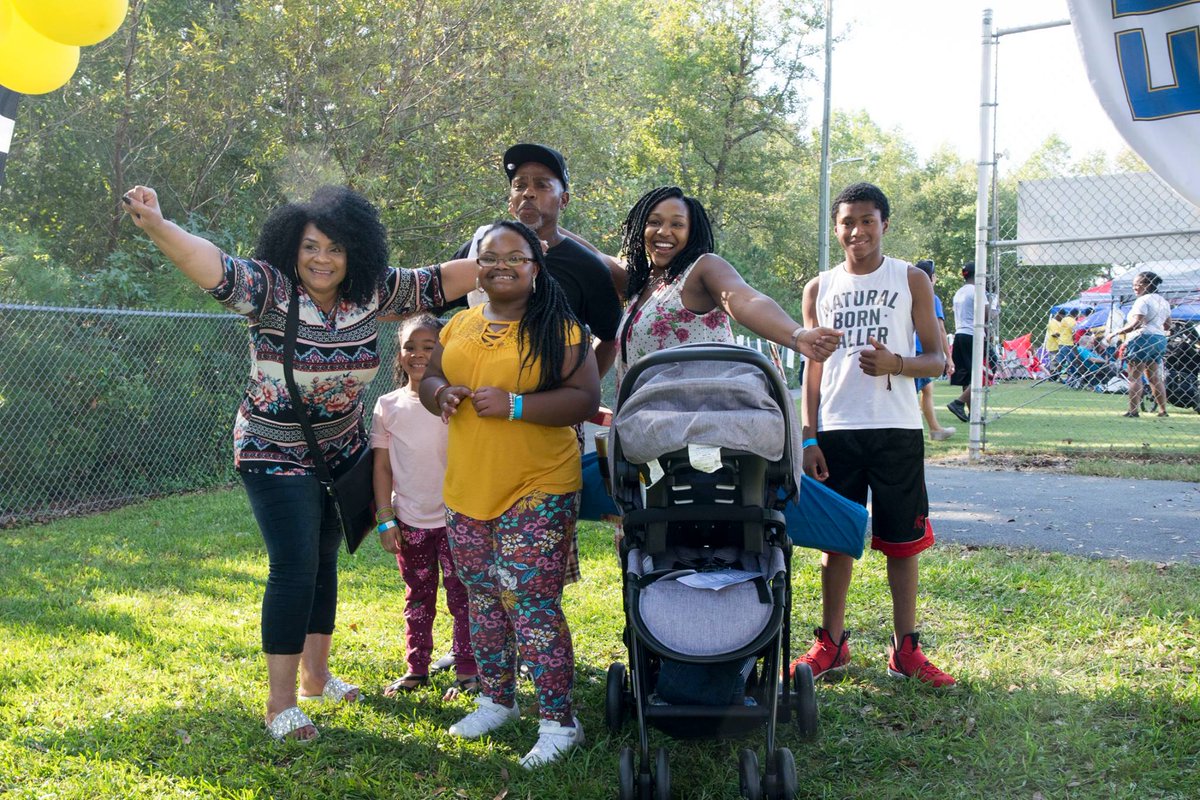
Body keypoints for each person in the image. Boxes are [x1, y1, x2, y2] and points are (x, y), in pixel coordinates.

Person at [122, 185, 479, 742]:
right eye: (311, 246)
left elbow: (444, 279)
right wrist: (158, 225)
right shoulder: (267, 289)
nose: (322, 259)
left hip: (341, 451)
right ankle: (280, 704)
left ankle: (316, 677)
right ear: (293, 247)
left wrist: (514, 258)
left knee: (324, 558)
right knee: (294, 564)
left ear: (354, 253)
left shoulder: (374, 293)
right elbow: (209, 263)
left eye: (335, 249)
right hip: (272, 447)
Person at [419, 220, 600, 768]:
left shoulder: (561, 329)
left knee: (533, 605)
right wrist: (442, 394)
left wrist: (518, 405)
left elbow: (585, 399)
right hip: (468, 489)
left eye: (514, 257)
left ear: (535, 266)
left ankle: (559, 721)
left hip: (537, 488)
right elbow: (427, 378)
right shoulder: (460, 325)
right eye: (489, 257)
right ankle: (497, 700)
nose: (501, 266)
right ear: (476, 266)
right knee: (481, 599)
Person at [795, 182, 955, 687]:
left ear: (884, 224)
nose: (857, 231)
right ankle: (832, 643)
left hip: (896, 431)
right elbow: (812, 373)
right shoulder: (819, 288)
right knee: (835, 544)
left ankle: (906, 650)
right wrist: (808, 437)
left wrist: (897, 363)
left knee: (902, 543)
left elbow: (940, 358)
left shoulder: (910, 279)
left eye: (867, 220)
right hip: (837, 433)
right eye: (847, 222)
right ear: (835, 227)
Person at [612, 185, 841, 385]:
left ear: (691, 232)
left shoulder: (702, 269)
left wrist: (797, 336)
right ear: (640, 228)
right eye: (654, 222)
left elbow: (746, 300)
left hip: (694, 422)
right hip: (637, 425)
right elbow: (592, 258)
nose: (664, 231)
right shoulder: (641, 283)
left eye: (677, 224)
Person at [446, 143, 623, 377]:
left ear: (564, 200)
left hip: (547, 410)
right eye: (519, 185)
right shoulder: (478, 251)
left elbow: (611, 338)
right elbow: (430, 303)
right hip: (476, 398)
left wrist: (576, 390)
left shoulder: (586, 267)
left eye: (541, 185)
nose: (528, 193)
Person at [371, 314, 478, 701]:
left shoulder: (457, 402)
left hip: (457, 521)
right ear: (399, 354)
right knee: (418, 595)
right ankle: (417, 668)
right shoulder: (387, 406)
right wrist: (386, 519)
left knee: (462, 594)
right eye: (409, 347)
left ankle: (468, 669)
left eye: (429, 347)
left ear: (443, 352)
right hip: (410, 522)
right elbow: (381, 466)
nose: (418, 354)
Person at [1101, 270, 1171, 417]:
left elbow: (1136, 324)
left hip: (1142, 339)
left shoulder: (1142, 300)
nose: (1134, 288)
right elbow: (1167, 326)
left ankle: (1133, 411)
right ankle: (1163, 410)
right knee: (1154, 377)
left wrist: (1115, 332)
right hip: (1159, 340)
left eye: (1137, 285)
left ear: (1147, 285)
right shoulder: (1163, 302)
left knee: (1135, 376)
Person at [913, 259, 955, 441]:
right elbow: (940, 329)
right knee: (911, 393)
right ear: (932, 277)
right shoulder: (931, 296)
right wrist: (948, 357)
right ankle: (918, 431)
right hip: (920, 352)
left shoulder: (908, 293)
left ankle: (935, 430)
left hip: (909, 350)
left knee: (927, 388)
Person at [946, 261, 989, 423]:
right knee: (979, 376)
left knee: (967, 377)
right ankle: (958, 403)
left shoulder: (960, 292)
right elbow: (985, 316)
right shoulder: (978, 290)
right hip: (974, 336)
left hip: (960, 334)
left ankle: (973, 413)